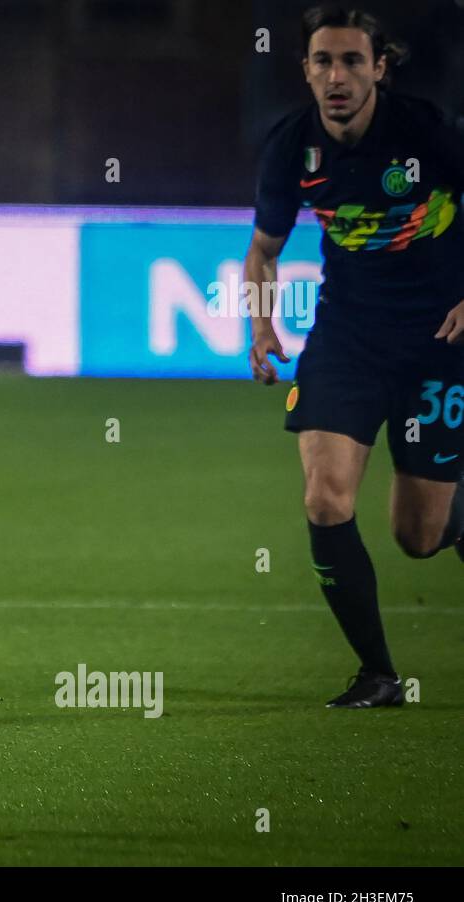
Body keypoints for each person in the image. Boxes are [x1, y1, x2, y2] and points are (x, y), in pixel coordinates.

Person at [245, 6, 464, 708]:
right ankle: (379, 674)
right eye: (322, 62)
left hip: (438, 343)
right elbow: (264, 251)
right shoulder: (291, 146)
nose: (336, 76)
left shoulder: (427, 132)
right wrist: (262, 326)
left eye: (351, 61)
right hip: (347, 341)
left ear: (379, 68)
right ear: (306, 69)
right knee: (325, 495)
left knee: (418, 537)